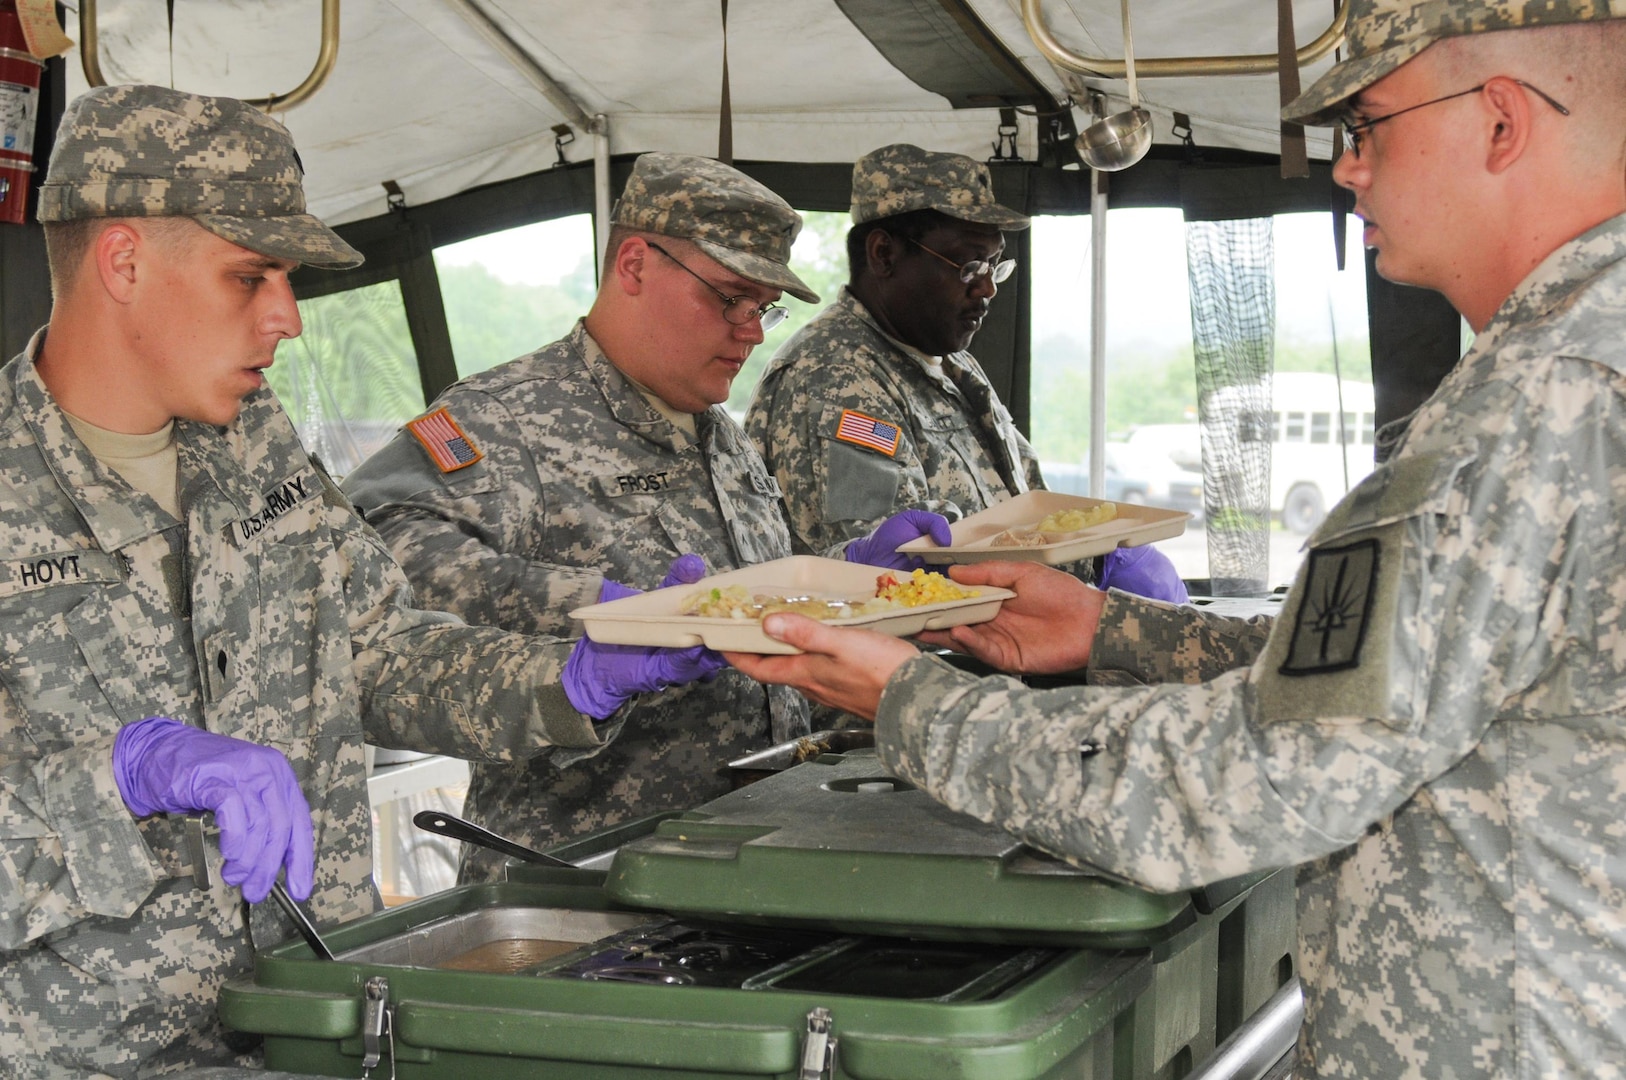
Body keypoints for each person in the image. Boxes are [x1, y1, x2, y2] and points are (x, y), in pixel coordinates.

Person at [729, 2, 1626, 1076]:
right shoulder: (1575, 373)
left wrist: (913, 700)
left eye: (1370, 127)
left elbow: (1256, 774)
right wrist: (1115, 631)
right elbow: (1400, 683)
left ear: (1500, 123)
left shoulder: (1539, 406)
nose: (1349, 172)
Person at [0, 85, 723, 1077]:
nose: (289, 317)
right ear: (124, 262)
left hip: (319, 1029)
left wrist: (567, 680)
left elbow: (376, 648)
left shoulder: (252, 446)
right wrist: (120, 778)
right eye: (250, 277)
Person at [342, 152, 949, 882]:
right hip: (581, 883)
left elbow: (737, 595)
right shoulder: (505, 419)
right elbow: (380, 563)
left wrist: (844, 584)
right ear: (634, 264)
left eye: (763, 307)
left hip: (744, 856)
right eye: (730, 298)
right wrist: (596, 610)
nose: (752, 331)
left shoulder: (716, 431)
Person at [743, 143, 1185, 601]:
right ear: (883, 256)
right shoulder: (835, 374)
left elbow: (1026, 511)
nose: (988, 287)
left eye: (995, 265)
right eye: (969, 266)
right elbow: (902, 575)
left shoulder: (949, 360)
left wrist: (1100, 552)